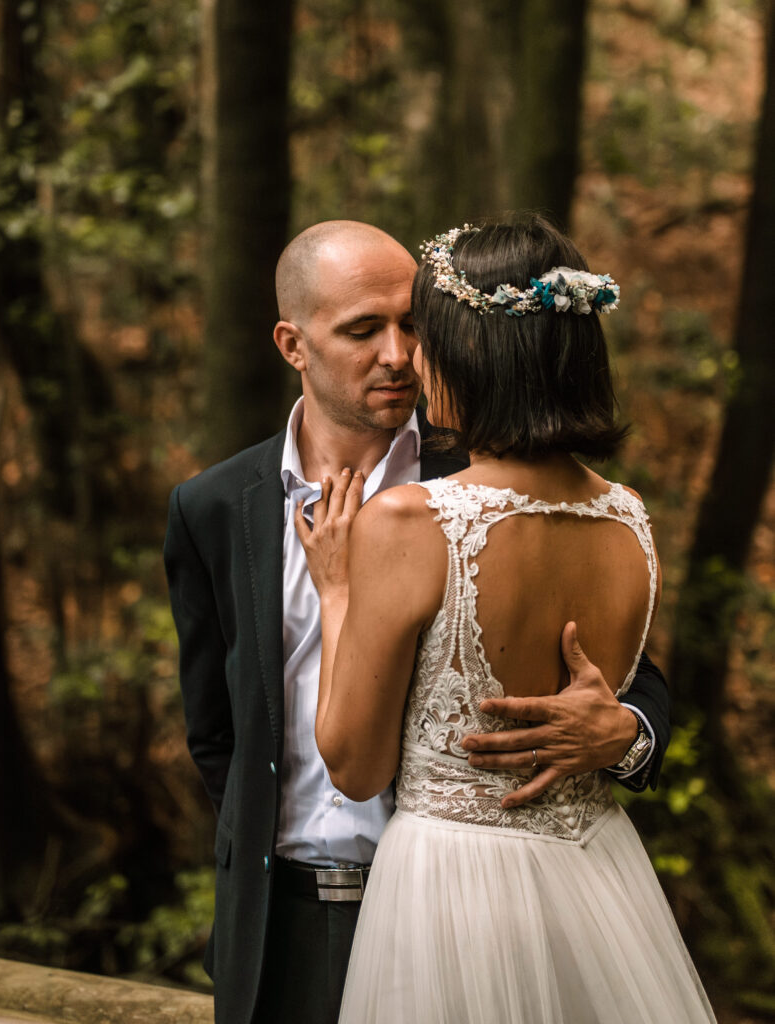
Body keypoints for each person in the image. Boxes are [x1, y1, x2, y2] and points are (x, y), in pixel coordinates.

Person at [164, 220, 673, 1024]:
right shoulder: (213, 507)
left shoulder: (496, 477)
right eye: (363, 330)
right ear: (293, 344)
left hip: (452, 904)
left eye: (414, 325)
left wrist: (625, 735)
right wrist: (261, 860)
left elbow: (627, 680)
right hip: (277, 921)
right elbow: (216, 727)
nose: (398, 355)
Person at [298, 217, 716, 1023]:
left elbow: (352, 767)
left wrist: (338, 591)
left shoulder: (408, 522)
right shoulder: (628, 518)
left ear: (467, 356)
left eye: (426, 337)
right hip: (597, 881)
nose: (411, 359)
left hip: (451, 892)